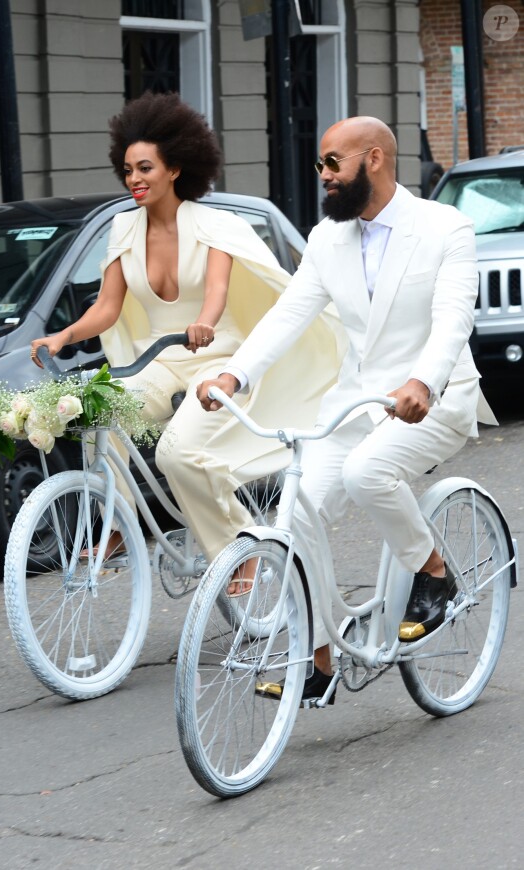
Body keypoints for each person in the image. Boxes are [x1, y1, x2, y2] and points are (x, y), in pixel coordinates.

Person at [196, 115, 497, 703]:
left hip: (434, 399)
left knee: (367, 474)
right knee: (297, 504)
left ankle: (432, 569)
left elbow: (453, 317)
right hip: (357, 403)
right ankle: (321, 657)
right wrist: (236, 373)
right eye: (320, 165)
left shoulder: (445, 227)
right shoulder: (327, 238)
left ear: (375, 159)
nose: (323, 176)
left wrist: (424, 381)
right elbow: (289, 315)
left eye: (333, 163)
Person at [30, 91, 345, 564]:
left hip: (220, 360)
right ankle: (119, 524)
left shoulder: (213, 224)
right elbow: (108, 307)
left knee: (176, 454)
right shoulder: (123, 229)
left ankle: (242, 548)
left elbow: (217, 290)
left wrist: (205, 322)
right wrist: (63, 335)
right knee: (100, 408)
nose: (133, 179)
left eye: (145, 168)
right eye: (129, 169)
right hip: (159, 361)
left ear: (175, 168)